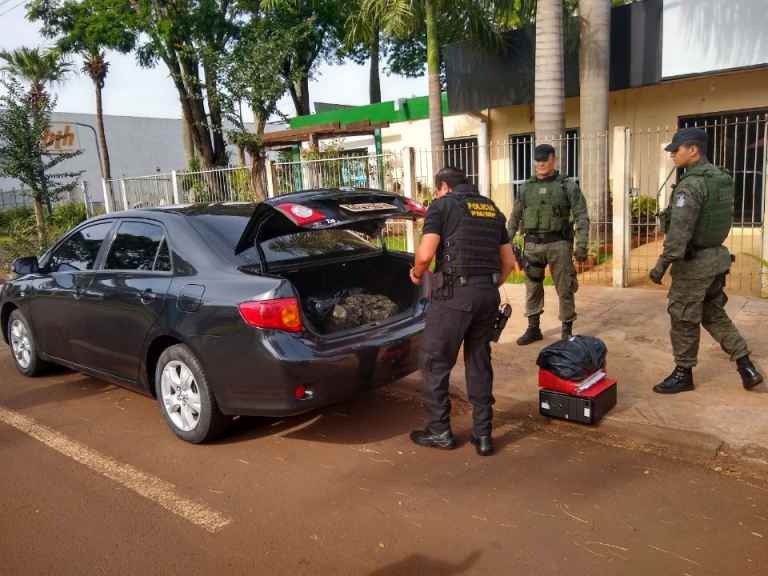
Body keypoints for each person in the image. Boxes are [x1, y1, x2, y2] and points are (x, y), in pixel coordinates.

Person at [409, 167, 515, 456]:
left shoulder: (442, 206)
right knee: (479, 361)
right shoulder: (491, 209)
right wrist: (487, 286)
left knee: (434, 362)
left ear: (443, 187)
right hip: (488, 295)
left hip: (454, 296)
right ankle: (483, 436)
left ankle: (440, 431)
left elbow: (426, 254)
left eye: (436, 190)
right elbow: (508, 262)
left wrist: (418, 273)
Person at [650, 127, 763, 394]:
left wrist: (660, 266)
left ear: (693, 150)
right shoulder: (721, 178)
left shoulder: (691, 185)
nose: (672, 156)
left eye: (676, 150)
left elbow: (679, 235)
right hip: (716, 259)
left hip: (694, 265)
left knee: (683, 318)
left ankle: (683, 373)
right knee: (713, 314)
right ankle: (746, 366)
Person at [507, 144, 590, 345]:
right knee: (532, 287)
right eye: (537, 160)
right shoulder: (526, 187)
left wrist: (582, 246)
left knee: (565, 288)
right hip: (533, 246)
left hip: (558, 245)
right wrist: (506, 242)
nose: (541, 163)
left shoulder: (567, 185)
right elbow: (515, 217)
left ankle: (566, 331)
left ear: (554, 159)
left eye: (545, 159)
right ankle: (533, 328)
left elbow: (581, 216)